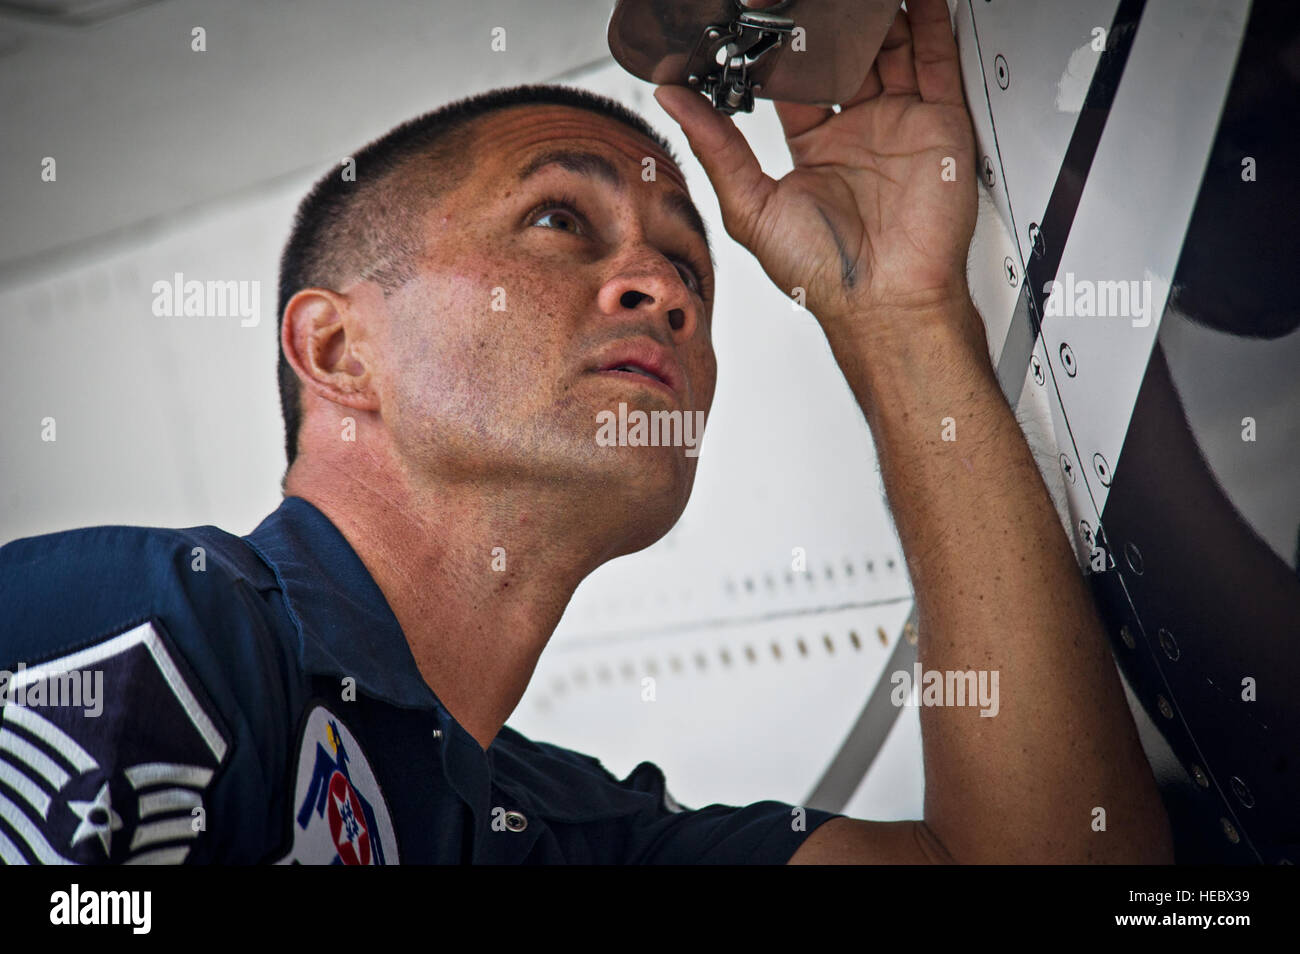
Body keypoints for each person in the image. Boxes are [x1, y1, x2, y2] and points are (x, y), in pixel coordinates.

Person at [0, 0, 1172, 864]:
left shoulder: (551, 837)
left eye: (688, 270)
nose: (660, 288)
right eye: (560, 218)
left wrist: (898, 315)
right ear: (337, 352)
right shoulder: (148, 631)